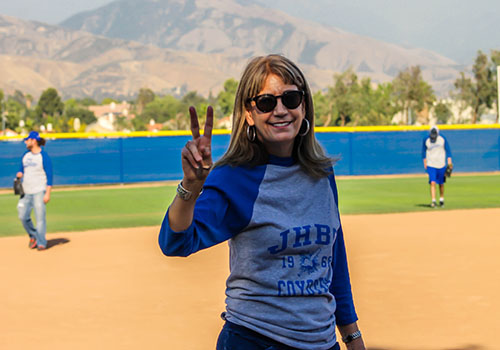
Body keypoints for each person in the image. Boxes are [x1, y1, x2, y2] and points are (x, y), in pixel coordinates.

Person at [158, 54, 365, 350]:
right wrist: (191, 186)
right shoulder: (235, 177)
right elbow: (176, 242)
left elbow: (334, 262)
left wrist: (352, 337)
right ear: (248, 113)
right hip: (257, 340)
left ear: (304, 106)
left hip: (323, 342)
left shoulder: (321, 173)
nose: (281, 110)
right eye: (266, 102)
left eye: (291, 99)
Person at [16, 131, 53, 250]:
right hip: (26, 191)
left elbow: (50, 175)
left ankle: (41, 243)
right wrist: (19, 175)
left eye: (28, 140)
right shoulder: (25, 156)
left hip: (39, 190)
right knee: (22, 216)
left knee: (40, 218)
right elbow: (21, 170)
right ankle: (33, 235)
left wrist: (47, 193)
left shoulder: (44, 156)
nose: (26, 142)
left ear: (34, 141)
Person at [422, 126, 452, 208]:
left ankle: (441, 199)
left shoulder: (442, 139)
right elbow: (423, 151)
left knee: (441, 184)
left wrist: (449, 162)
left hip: (441, 164)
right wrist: (424, 162)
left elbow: (448, 150)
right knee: (432, 182)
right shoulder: (426, 140)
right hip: (431, 164)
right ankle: (433, 201)